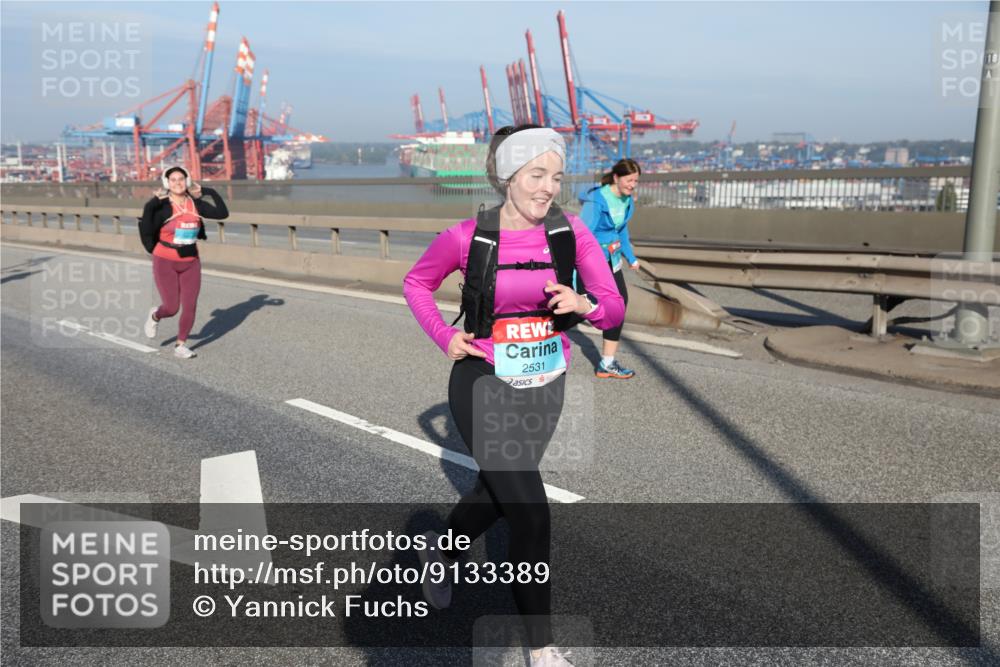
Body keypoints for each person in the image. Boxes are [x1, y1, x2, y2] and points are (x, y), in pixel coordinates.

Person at [403, 125, 624, 667]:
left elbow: (614, 308)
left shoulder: (571, 234)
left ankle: (440, 555)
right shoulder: (467, 236)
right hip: (481, 379)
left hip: (546, 380)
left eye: (556, 175)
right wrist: (446, 336)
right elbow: (416, 283)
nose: (548, 187)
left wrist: (584, 305)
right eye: (535, 174)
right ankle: (541, 649)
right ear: (508, 177)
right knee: (530, 511)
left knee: (496, 494)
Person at [138, 165, 228, 358]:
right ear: (167, 183)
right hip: (165, 260)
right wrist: (154, 202)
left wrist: (208, 191)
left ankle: (180, 345)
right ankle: (155, 315)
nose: (177, 183)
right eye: (173, 180)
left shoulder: (195, 204)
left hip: (191, 261)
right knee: (171, 308)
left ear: (186, 181)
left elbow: (222, 213)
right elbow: (145, 227)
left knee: (190, 305)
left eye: (181, 179)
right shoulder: (162, 206)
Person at [576, 158, 642, 379]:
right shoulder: (597, 199)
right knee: (577, 309)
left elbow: (621, 230)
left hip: (611, 258)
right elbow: (582, 234)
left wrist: (631, 257)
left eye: (636, 181)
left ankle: (607, 362)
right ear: (616, 177)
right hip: (591, 260)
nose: (632, 185)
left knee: (619, 303)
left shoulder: (627, 200)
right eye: (629, 180)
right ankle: (538, 340)